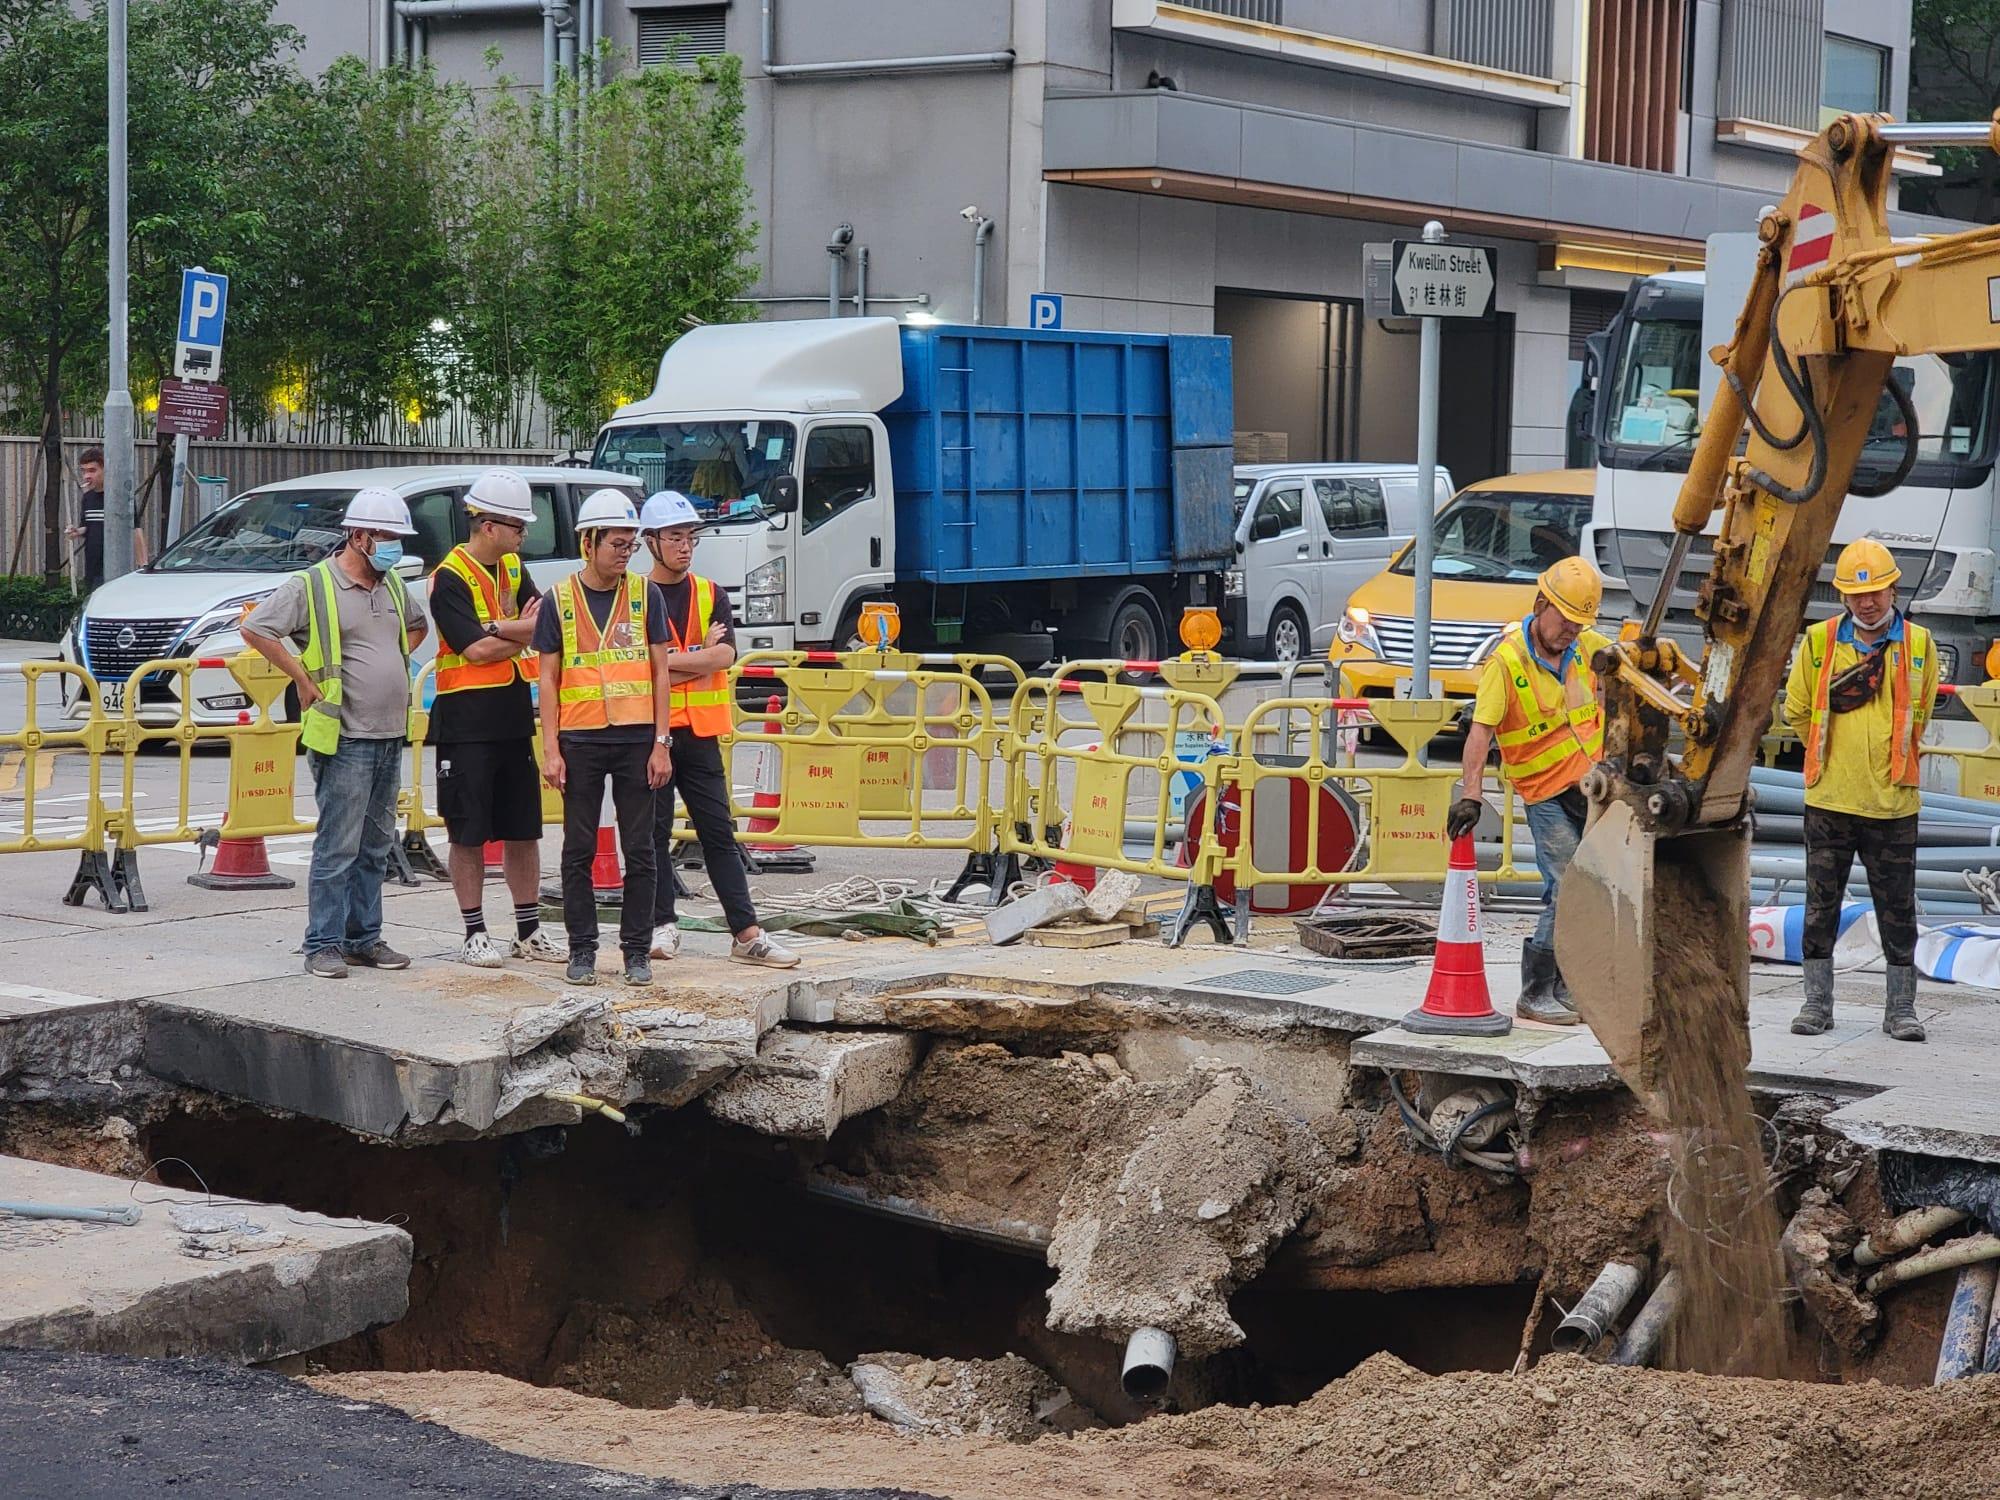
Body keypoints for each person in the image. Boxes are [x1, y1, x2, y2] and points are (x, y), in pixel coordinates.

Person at [243, 487, 428, 979]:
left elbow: (417, 627)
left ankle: (363, 938)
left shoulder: (391, 585)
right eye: (386, 537)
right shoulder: (314, 584)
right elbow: (257, 629)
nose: (393, 547)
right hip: (345, 736)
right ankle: (322, 943)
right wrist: (302, 679)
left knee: (375, 846)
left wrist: (390, 661)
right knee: (338, 846)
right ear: (359, 536)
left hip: (388, 733)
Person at [1783, 539, 1939, 1043]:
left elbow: (1920, 712)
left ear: (1893, 589)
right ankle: (1816, 1004)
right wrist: (1832, 759)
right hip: (1829, 799)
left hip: (1893, 803)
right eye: (1856, 593)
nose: (1867, 602)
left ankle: (1901, 1009)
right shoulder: (1819, 642)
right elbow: (1797, 709)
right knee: (1819, 908)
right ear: (1843, 595)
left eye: (1875, 592)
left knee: (1898, 910)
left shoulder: (1919, 645)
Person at [638, 491, 799, 970]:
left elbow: (724, 657)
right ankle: (661, 925)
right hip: (653, 734)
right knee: (652, 834)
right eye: (675, 537)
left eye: (690, 537)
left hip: (701, 734)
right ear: (651, 542)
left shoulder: (711, 594)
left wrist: (669, 661)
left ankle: (746, 934)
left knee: (719, 834)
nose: (685, 546)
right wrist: (696, 656)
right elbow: (638, 670)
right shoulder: (634, 597)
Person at [1446, 557, 1609, 1025]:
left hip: (1593, 790)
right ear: (1541, 605)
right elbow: (1481, 733)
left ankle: (1567, 984)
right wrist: (1471, 794)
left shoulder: (1588, 648)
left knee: (1592, 887)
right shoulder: (1507, 661)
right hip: (1546, 794)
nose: (1571, 631)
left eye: (1579, 624)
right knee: (1567, 884)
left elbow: (1628, 674)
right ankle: (1535, 991)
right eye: (1565, 620)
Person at [535, 489, 674, 987]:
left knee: (641, 849)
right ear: (588, 542)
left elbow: (661, 672)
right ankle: (582, 951)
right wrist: (551, 749)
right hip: (581, 739)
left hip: (637, 738)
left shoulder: (645, 595)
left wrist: (662, 743)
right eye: (616, 543)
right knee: (578, 849)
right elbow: (547, 678)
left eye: (630, 544)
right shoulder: (558, 600)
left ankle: (636, 951)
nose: (625, 552)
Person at [429, 470, 566, 969]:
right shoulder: (448, 577)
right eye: (517, 526)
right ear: (488, 526)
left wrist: (500, 627)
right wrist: (516, 629)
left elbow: (546, 622)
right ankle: (474, 932)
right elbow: (476, 649)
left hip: (511, 716)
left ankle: (528, 930)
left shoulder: (512, 567)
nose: (523, 534)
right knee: (467, 833)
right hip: (465, 722)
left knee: (523, 829)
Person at [64, 446, 149, 592]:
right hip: (92, 568)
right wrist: (76, 531)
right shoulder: (87, 498)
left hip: (115, 568)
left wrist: (144, 565)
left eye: (92, 470)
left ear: (105, 470)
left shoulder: (120, 498)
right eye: (84, 471)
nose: (86, 476)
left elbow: (135, 529)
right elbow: (87, 527)